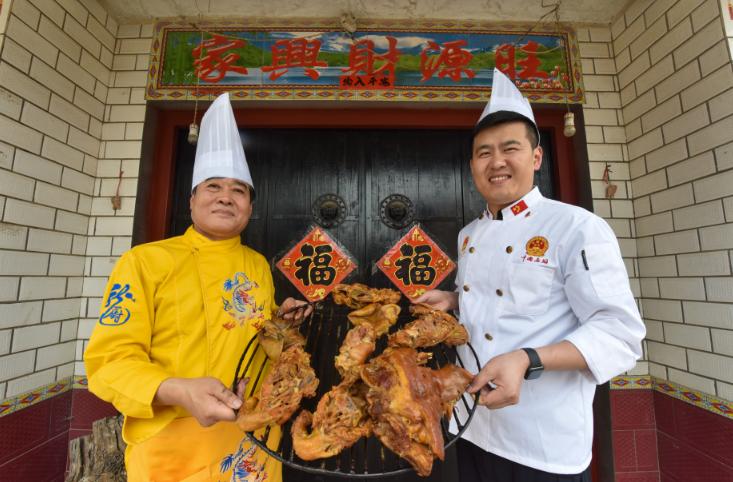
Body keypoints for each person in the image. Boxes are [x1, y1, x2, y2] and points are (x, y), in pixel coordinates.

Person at [415, 69, 645, 481]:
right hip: (470, 424)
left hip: (541, 441)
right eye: (484, 153)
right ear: (472, 165)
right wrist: (454, 300)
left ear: (536, 158)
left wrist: (527, 359)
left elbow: (619, 334)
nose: (497, 162)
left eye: (510, 148)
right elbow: (497, 300)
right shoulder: (469, 235)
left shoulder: (576, 227)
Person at [85, 93, 311, 482]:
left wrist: (282, 321)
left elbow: (253, 331)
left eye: (239, 190)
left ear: (249, 208)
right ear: (191, 201)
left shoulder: (257, 264)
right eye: (213, 186)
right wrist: (180, 391)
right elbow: (109, 364)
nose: (226, 196)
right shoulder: (144, 261)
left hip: (253, 436)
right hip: (173, 443)